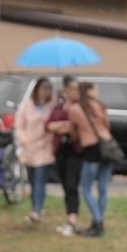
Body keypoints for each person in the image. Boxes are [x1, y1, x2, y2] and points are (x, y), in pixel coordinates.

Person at [68, 82, 113, 238]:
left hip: (92, 149)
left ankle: (98, 223)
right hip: (108, 147)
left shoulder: (75, 109)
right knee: (103, 188)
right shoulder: (100, 106)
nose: (98, 90)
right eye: (95, 88)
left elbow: (73, 132)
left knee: (86, 189)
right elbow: (107, 126)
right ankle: (98, 222)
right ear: (87, 91)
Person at [15, 77, 55, 226]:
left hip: (45, 148)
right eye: (43, 87)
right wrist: (23, 139)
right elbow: (19, 125)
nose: (46, 91)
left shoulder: (52, 106)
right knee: (32, 180)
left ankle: (37, 211)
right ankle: (35, 207)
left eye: (48, 88)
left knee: (39, 180)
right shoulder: (26, 105)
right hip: (29, 147)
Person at [46, 76, 82, 237]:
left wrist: (62, 126)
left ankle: (72, 221)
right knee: (65, 184)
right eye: (72, 88)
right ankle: (69, 218)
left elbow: (75, 126)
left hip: (75, 149)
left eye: (77, 88)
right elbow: (48, 124)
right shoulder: (59, 106)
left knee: (72, 184)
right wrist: (62, 126)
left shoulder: (79, 106)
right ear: (66, 88)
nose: (75, 91)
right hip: (60, 149)